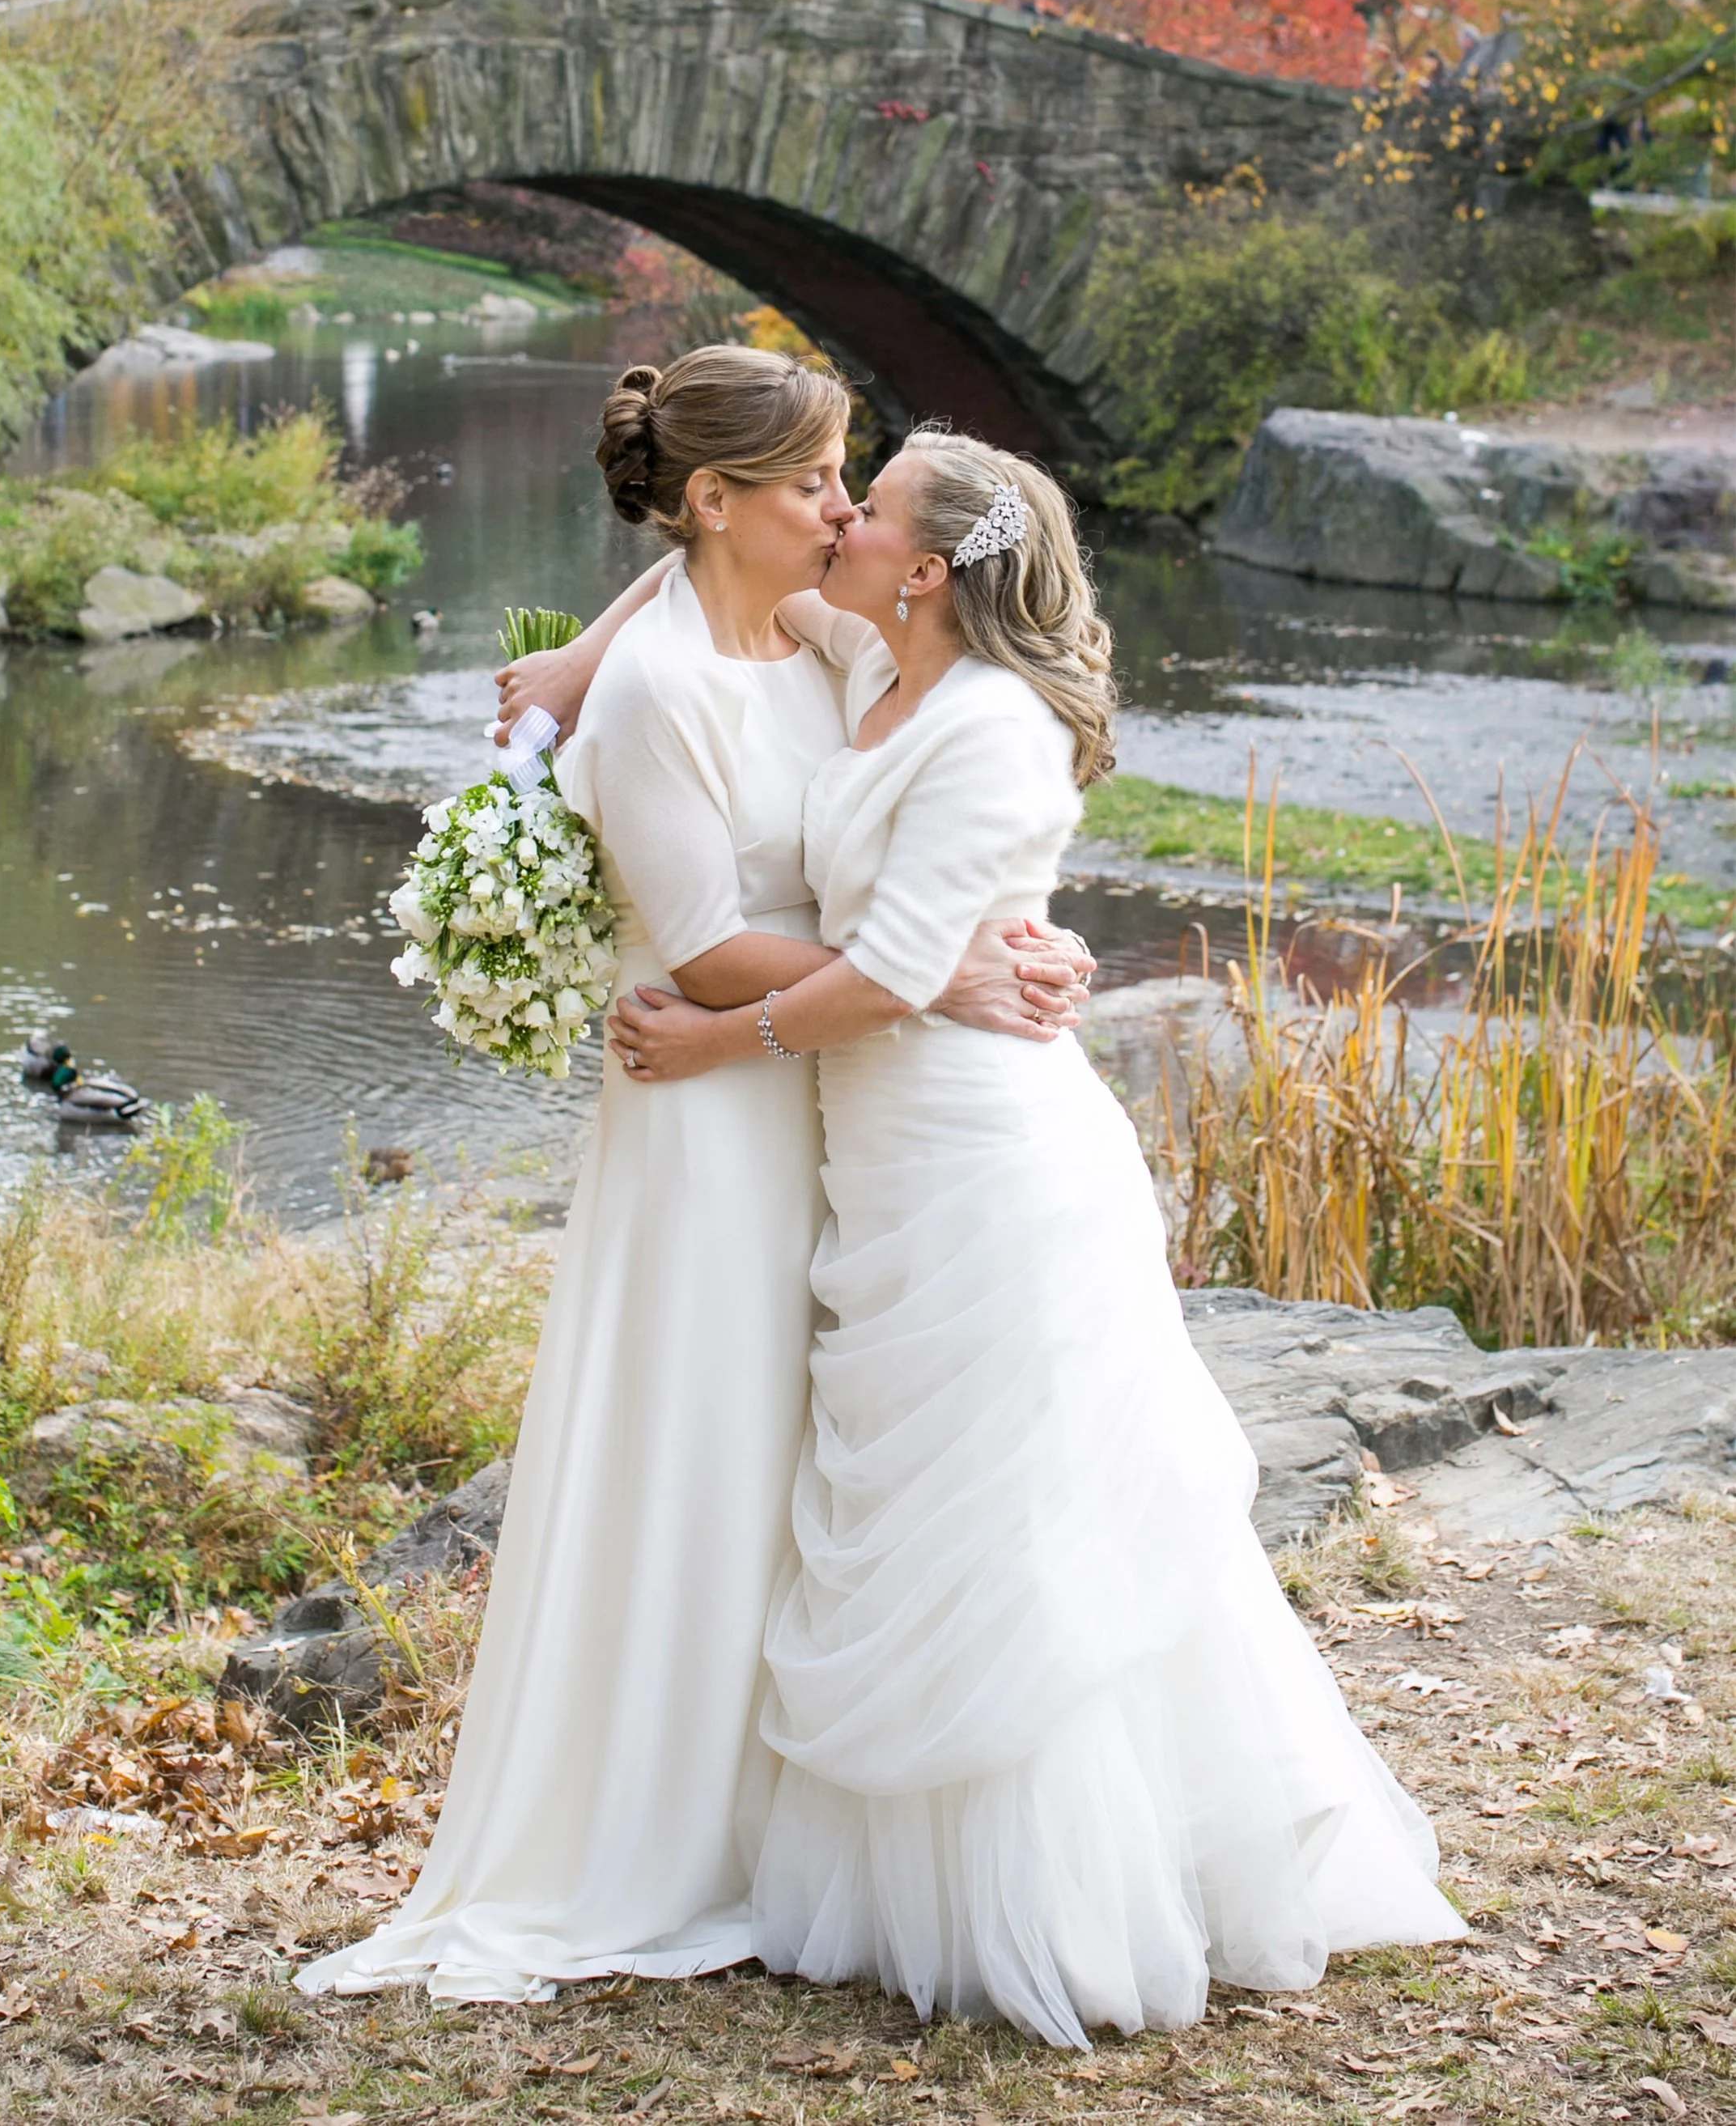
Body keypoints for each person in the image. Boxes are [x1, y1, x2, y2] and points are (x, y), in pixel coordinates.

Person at [610, 429, 1466, 2047]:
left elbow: (888, 968)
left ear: (926, 567)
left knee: (1014, 1518)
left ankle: (1065, 1901)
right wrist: (560, 666)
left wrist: (715, 1039)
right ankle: (904, 1887)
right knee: (915, 1492)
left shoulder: (994, 729)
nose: (837, 520)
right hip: (884, 1154)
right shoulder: (869, 659)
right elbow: (688, 586)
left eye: (864, 509)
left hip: (988, 1159)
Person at [299, 350, 1088, 2008]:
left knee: (801, 1452)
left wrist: (990, 929)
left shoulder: (801, 628)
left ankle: (796, 1827)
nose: (838, 509)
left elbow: (922, 771)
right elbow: (713, 946)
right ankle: (667, 1835)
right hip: (711, 1105)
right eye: (816, 481)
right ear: (727, 495)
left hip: (828, 1099)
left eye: (848, 484)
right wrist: (927, 972)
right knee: (706, 1443)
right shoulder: (660, 692)